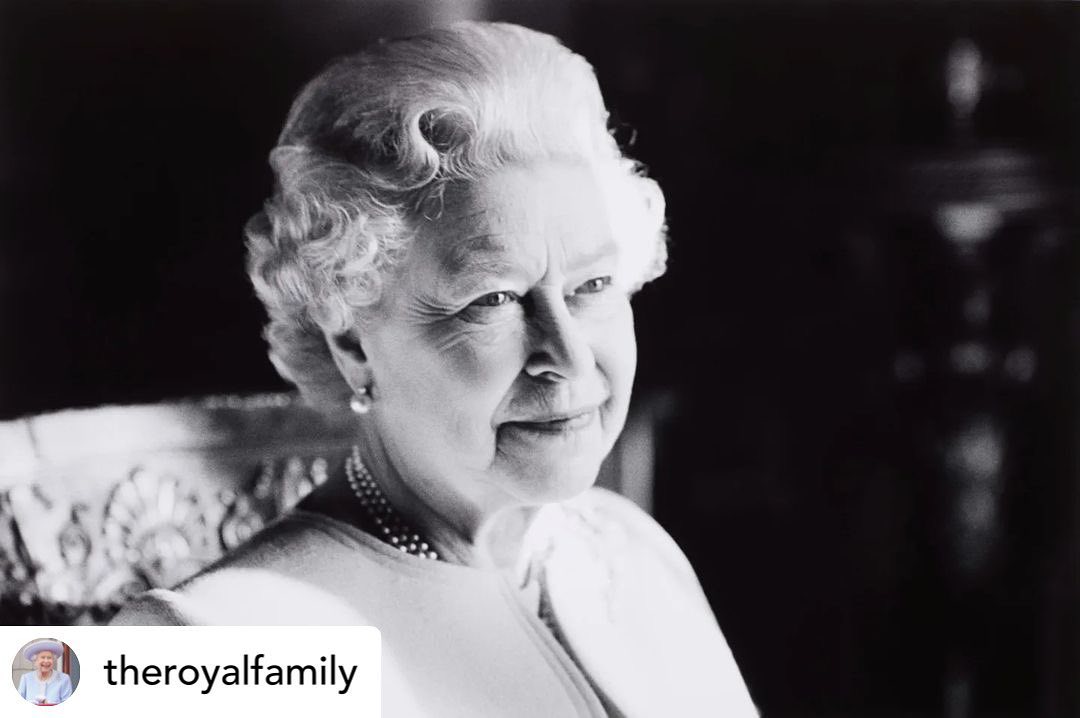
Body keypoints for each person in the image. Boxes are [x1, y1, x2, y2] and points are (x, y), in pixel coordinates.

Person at [112, 21, 757, 716]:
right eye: (494, 299)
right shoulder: (204, 647)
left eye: (592, 286)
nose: (569, 357)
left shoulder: (631, 550)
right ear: (351, 343)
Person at [17, 639, 73, 705]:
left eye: (49, 658)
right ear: (35, 661)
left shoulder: (64, 679)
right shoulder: (26, 678)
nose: (46, 661)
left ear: (53, 660)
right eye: (43, 657)